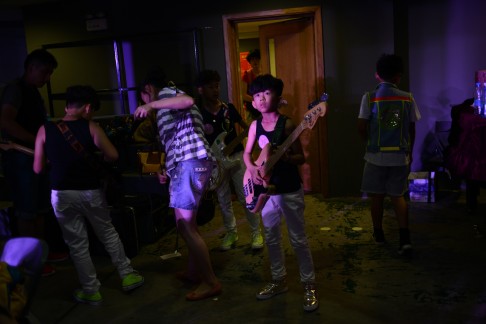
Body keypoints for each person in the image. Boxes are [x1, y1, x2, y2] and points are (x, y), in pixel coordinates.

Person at [33, 85, 144, 306]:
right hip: (90, 192)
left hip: (61, 194)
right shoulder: (91, 127)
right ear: (87, 107)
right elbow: (112, 155)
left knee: (77, 244)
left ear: (67, 105)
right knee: (107, 232)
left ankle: (90, 290)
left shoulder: (45, 129)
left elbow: (37, 168)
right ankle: (127, 274)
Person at [134, 69, 222, 301]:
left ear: (148, 90)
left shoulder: (166, 94)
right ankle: (195, 272)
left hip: (189, 163)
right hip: (186, 163)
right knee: (187, 223)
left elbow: (188, 100)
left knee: (184, 225)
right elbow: (174, 139)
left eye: (143, 98)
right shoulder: (168, 103)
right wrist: (166, 168)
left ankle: (210, 281)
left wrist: (152, 105)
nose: (143, 103)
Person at [243, 74, 318, 312]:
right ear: (253, 102)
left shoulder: (287, 124)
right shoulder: (254, 125)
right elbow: (247, 153)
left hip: (288, 188)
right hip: (266, 191)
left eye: (266, 93)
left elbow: (301, 157)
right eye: (257, 95)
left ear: (277, 97)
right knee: (272, 238)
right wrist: (252, 168)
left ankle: (309, 285)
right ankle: (278, 280)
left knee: (298, 239)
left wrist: (286, 156)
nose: (262, 98)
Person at [0, 48, 67, 277]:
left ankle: (40, 254)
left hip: (34, 157)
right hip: (20, 157)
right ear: (31, 68)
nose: (47, 78)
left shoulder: (32, 92)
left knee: (39, 209)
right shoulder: (15, 89)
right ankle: (29, 262)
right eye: (45, 72)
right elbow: (5, 122)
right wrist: (36, 139)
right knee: (27, 211)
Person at [357, 53, 421, 256]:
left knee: (376, 197)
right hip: (399, 157)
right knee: (398, 196)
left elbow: (361, 126)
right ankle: (404, 239)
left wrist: (369, 141)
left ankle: (379, 234)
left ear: (377, 75)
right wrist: (409, 152)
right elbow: (412, 129)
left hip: (375, 156)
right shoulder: (407, 97)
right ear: (398, 76)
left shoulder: (370, 97)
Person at [195, 69, 264, 251]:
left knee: (245, 196)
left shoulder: (228, 109)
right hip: (215, 162)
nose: (215, 90)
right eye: (210, 87)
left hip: (237, 157)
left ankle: (256, 233)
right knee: (223, 199)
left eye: (217, 86)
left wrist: (254, 136)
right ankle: (231, 233)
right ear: (201, 90)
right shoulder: (199, 114)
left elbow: (246, 129)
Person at [241, 49, 262, 122]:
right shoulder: (247, 75)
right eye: (252, 59)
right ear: (250, 62)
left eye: (256, 59)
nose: (254, 61)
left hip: (264, 109)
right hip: (251, 110)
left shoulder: (265, 74)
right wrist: (256, 100)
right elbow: (244, 95)